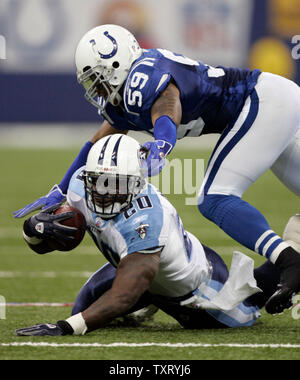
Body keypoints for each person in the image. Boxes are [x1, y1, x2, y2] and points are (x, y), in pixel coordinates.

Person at [13, 24, 300, 315]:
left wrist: (162, 143)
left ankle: (290, 262)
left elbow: (167, 105)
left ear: (115, 66)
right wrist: (60, 189)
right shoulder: (126, 89)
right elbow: (96, 142)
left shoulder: (142, 77)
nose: (95, 89)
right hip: (276, 100)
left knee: (214, 198)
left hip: (263, 102)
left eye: (97, 79)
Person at [16, 135, 281, 337]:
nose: (105, 192)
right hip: (133, 263)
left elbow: (124, 295)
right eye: (99, 181)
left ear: (138, 182)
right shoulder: (78, 185)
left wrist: (64, 328)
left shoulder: (148, 219)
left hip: (195, 290)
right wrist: (33, 230)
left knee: (249, 310)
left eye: (117, 184)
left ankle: (290, 256)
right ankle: (149, 300)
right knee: (83, 309)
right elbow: (46, 240)